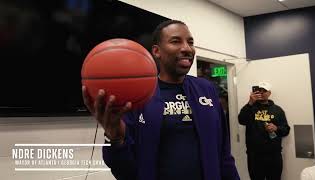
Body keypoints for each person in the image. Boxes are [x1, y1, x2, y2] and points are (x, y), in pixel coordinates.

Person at [82, 20, 239, 180]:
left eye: (190, 42)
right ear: (157, 51)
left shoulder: (206, 89)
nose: (187, 48)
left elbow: (224, 154)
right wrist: (115, 138)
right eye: (176, 41)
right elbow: (125, 171)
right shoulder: (137, 96)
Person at [238, 81, 290, 180]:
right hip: (255, 156)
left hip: (274, 155)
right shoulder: (250, 108)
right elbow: (241, 120)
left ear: (269, 93)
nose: (261, 93)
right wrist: (250, 103)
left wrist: (276, 128)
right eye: (258, 91)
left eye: (264, 91)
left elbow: (286, 129)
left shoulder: (277, 110)